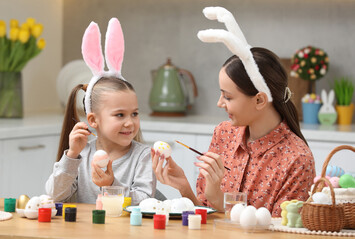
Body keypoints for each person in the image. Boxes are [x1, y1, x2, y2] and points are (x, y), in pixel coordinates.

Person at [151, 7, 315, 217]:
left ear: (259, 100)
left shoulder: (297, 159)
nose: (220, 103)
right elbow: (206, 215)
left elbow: (279, 233)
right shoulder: (224, 133)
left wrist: (219, 199)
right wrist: (184, 187)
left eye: (228, 97)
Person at [46, 18, 156, 206]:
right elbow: (55, 196)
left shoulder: (143, 155)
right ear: (93, 120)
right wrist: (71, 155)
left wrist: (111, 185)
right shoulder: (82, 155)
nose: (130, 122)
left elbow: (145, 201)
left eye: (135, 114)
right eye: (120, 115)